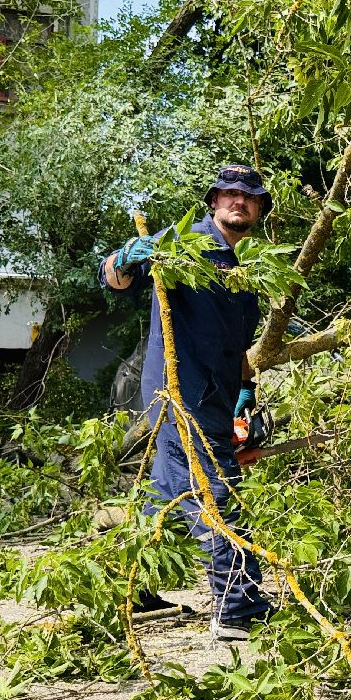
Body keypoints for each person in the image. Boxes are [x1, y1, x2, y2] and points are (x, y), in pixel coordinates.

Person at [101, 165, 276, 641]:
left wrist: (246, 394)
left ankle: (126, 592)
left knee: (164, 495)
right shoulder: (184, 242)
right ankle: (236, 607)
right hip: (179, 395)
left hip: (218, 398)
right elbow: (116, 277)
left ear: (258, 208)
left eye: (249, 197)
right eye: (229, 194)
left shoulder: (248, 268)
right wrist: (124, 259)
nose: (238, 201)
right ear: (214, 201)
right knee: (217, 492)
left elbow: (238, 343)